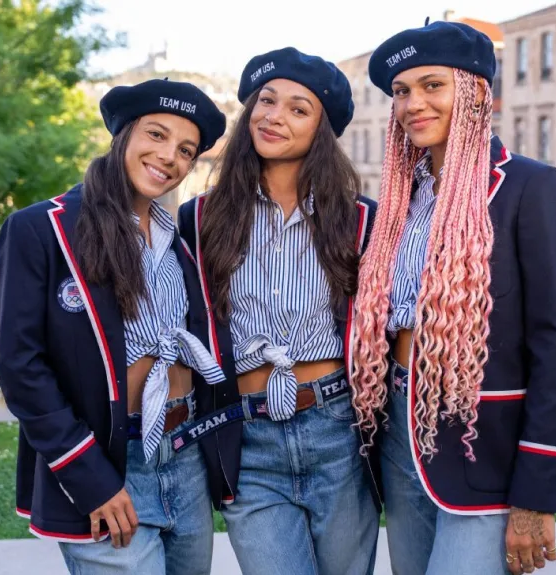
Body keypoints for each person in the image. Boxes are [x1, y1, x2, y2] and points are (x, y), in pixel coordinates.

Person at [349, 20, 556, 575]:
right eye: (402, 92)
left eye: (433, 86)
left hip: (485, 447)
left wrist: (536, 496)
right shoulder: (401, 203)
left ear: (476, 91)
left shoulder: (532, 189)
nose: (413, 104)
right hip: (400, 438)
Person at [0, 78, 227, 574]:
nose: (169, 156)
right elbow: (20, 367)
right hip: (109, 464)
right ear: (123, 135)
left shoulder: (179, 240)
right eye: (156, 135)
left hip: (184, 460)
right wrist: (89, 477)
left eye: (185, 150)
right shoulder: (41, 229)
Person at [177, 47, 380, 575]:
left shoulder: (361, 221)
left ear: (322, 130)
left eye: (298, 108)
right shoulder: (199, 219)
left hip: (336, 428)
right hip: (248, 436)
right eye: (266, 101)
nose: (274, 116)